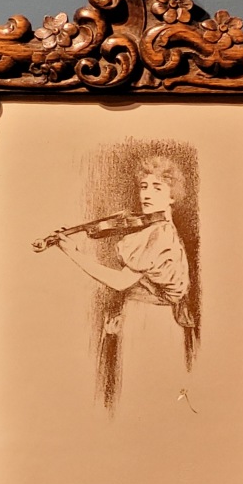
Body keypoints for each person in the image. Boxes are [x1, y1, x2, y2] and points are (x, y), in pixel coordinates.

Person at [44, 156, 195, 411]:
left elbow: (121, 282)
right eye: (144, 186)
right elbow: (144, 285)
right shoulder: (161, 231)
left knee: (142, 398)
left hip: (149, 322)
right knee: (148, 397)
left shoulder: (158, 235)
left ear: (172, 196)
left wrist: (73, 252)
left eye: (157, 187)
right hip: (148, 318)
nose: (146, 194)